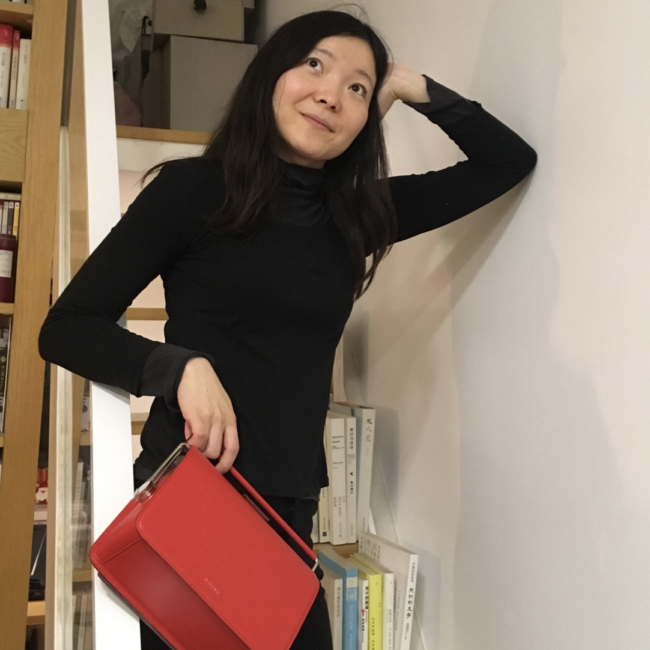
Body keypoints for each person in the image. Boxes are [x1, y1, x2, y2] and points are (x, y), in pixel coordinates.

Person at [39, 9, 536, 650]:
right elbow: (67, 327)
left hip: (290, 511)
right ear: (272, 74)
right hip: (193, 494)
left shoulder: (358, 216)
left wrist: (410, 85)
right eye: (316, 65)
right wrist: (179, 367)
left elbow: (506, 162)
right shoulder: (191, 191)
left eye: (359, 87)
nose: (332, 92)